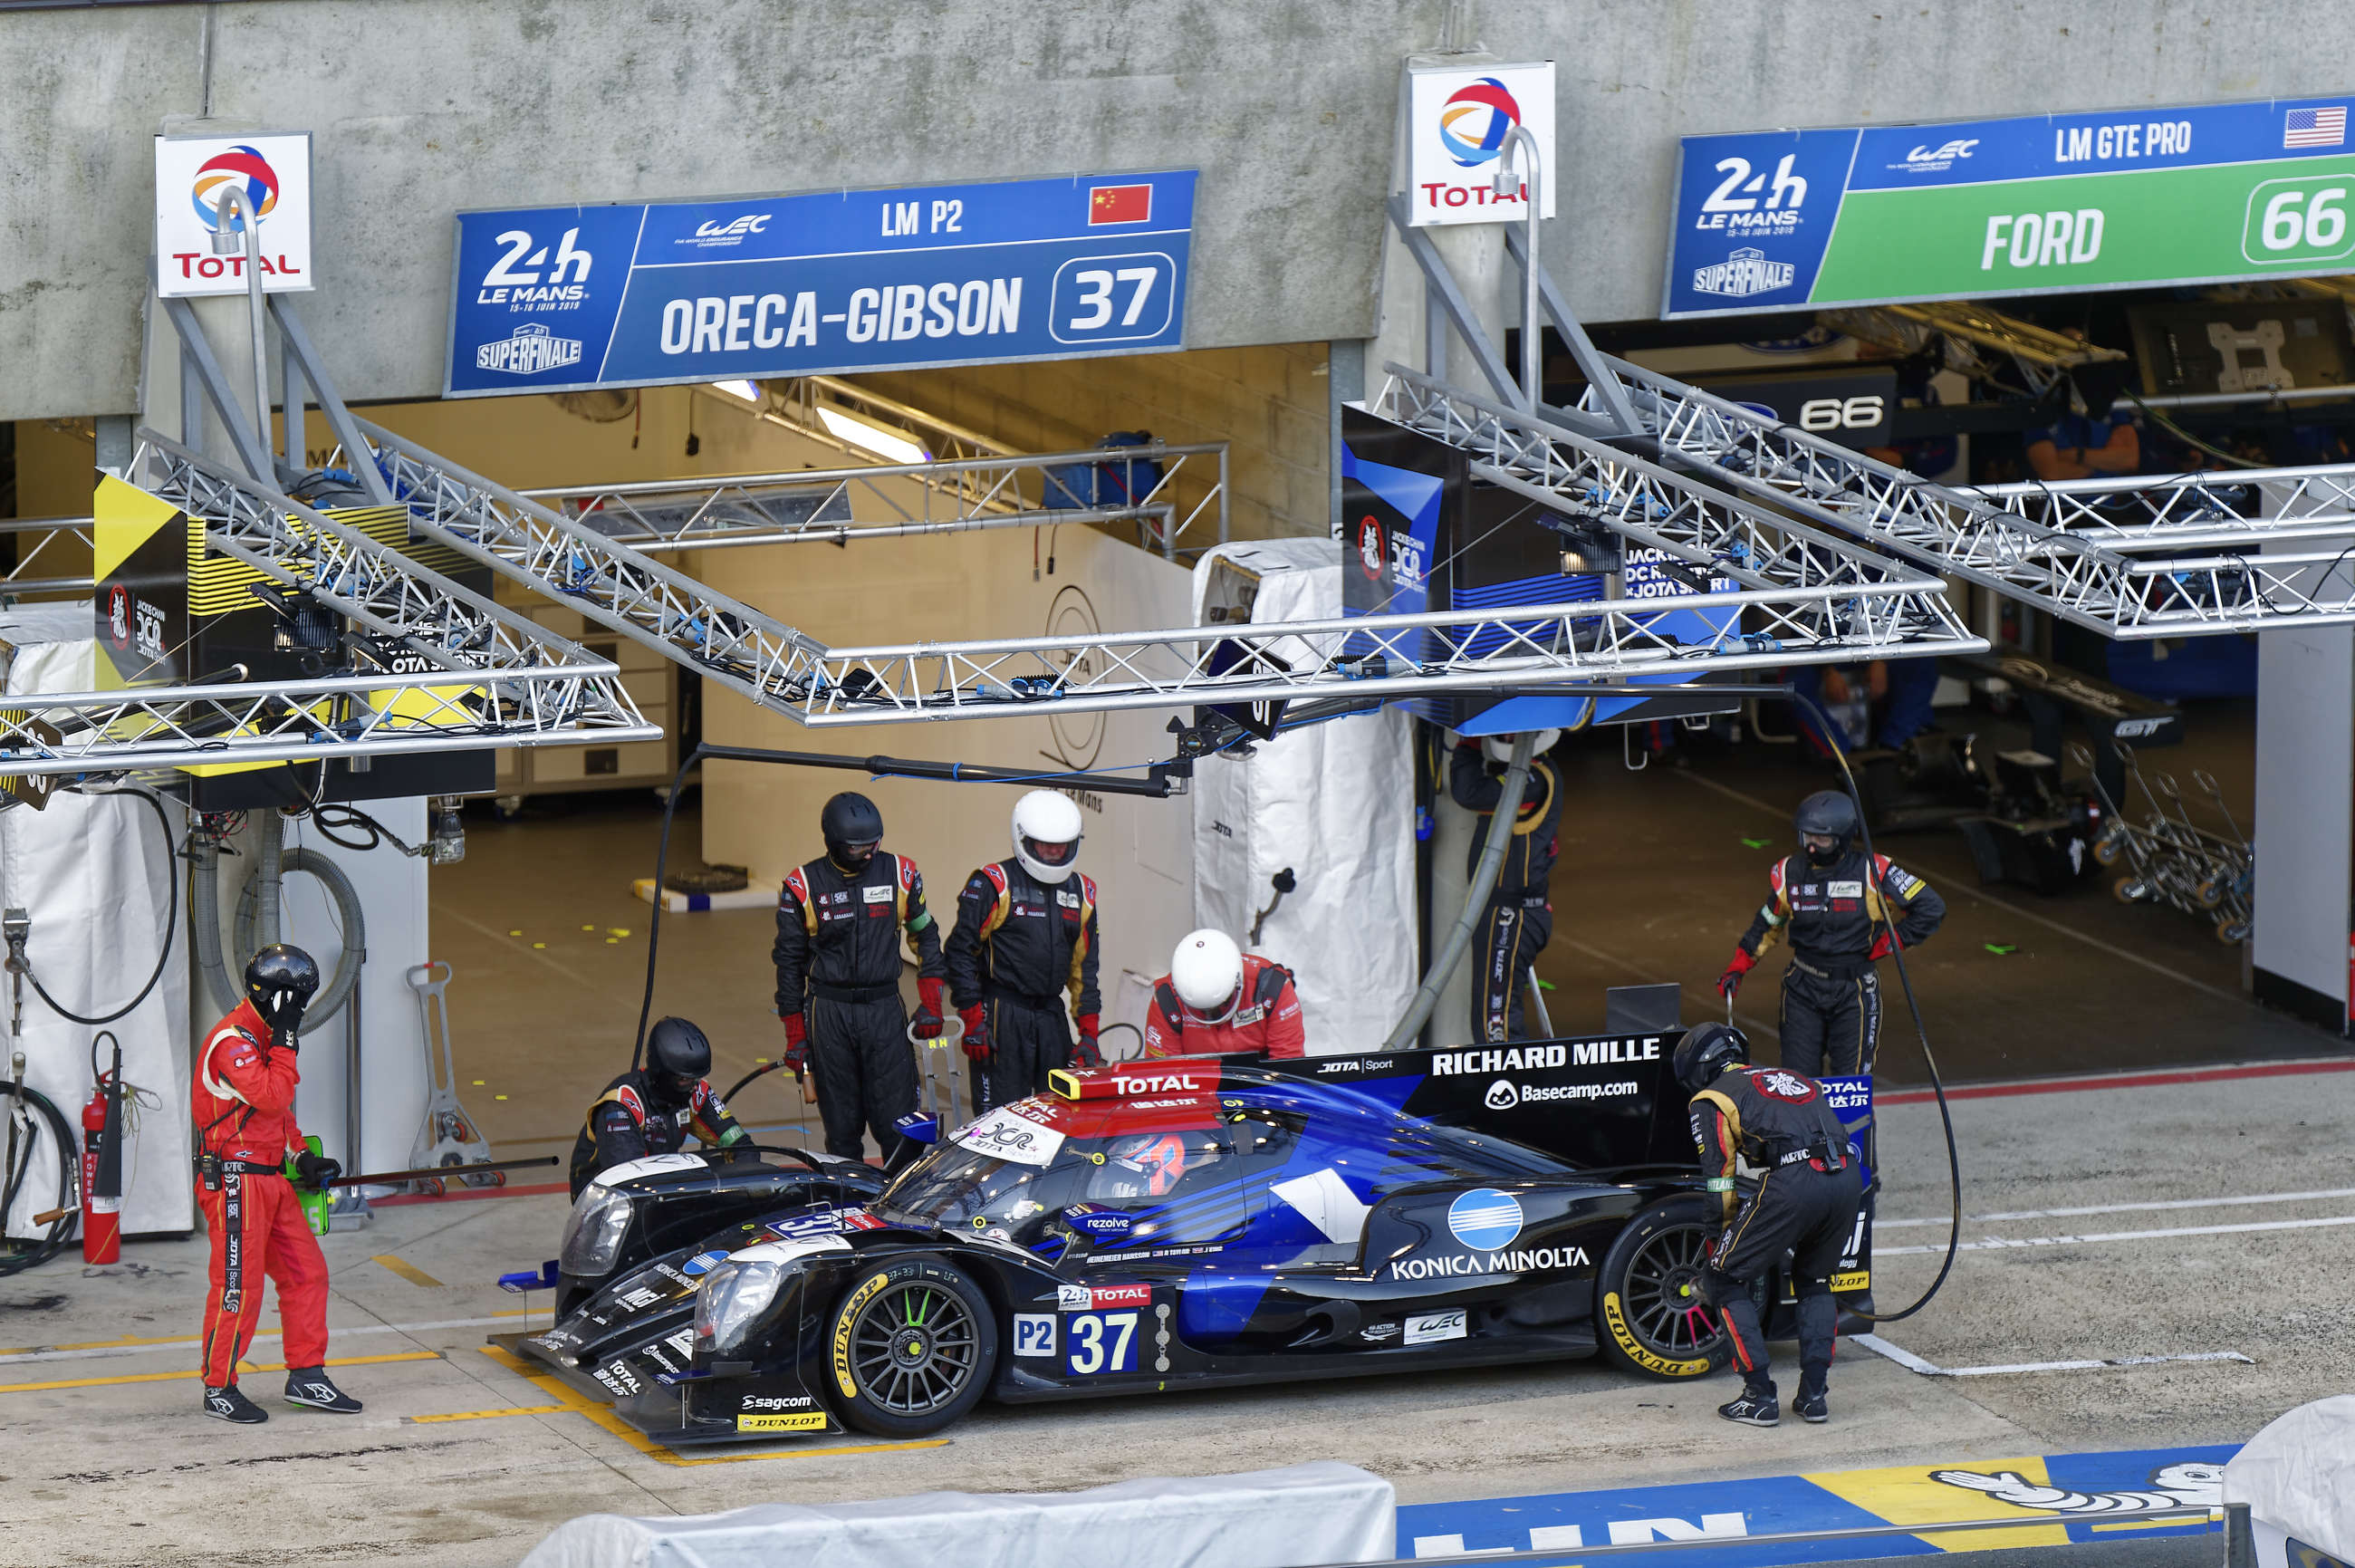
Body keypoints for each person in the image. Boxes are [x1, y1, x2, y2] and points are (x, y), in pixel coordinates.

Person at [192, 945, 360, 1424]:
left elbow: (277, 1115)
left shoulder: (262, 1038)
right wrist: (286, 1039)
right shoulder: (231, 1042)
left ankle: (307, 1375)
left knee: (307, 1273)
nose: (302, 1010)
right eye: (298, 1001)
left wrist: (302, 1156)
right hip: (236, 1184)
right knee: (238, 1288)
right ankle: (219, 1387)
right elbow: (271, 1094)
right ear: (279, 997)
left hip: (271, 1181)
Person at [1675, 1022, 1864, 1429]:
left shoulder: (1711, 1098)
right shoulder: (1793, 1078)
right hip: (1848, 1176)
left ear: (1698, 1067)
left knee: (1723, 1279)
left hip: (1796, 1182)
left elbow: (1719, 1178)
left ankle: (1758, 1396)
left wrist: (1719, 1241)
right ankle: (1814, 1397)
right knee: (1815, 1280)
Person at [1717, 790, 1945, 1077]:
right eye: (1807, 837)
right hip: (1801, 987)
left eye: (1821, 839)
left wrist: (1887, 944)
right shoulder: (1789, 872)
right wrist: (1739, 966)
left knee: (1851, 1084)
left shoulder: (1874, 871)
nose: (1812, 847)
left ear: (1843, 838)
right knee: (1797, 1083)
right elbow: (1768, 922)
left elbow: (1931, 908)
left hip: (1855, 989)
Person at [773, 792, 948, 1160]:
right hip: (829, 1014)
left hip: (884, 1009)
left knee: (900, 1124)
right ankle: (846, 1193)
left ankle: (903, 1193)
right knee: (841, 1128)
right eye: (857, 848)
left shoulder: (902, 874)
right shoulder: (801, 886)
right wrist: (795, 1036)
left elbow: (925, 935)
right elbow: (789, 965)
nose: (868, 855)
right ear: (833, 843)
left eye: (873, 845)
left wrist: (932, 1002)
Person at [945, 790, 1101, 1110]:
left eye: (1062, 844)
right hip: (1002, 1014)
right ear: (1024, 839)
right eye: (1045, 844)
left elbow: (1084, 970)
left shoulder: (1082, 893)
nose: (1055, 851)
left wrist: (1089, 1035)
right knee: (998, 1114)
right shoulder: (993, 883)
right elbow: (960, 953)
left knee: (1061, 1110)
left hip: (1051, 1015)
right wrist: (972, 1018)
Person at [1449, 730, 1562, 1043]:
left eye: (1515, 734)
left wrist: (1468, 741)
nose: (1508, 738)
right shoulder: (1524, 773)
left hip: (1512, 915)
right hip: (1509, 913)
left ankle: (1508, 1074)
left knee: (1496, 1026)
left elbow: (1469, 792)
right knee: (1492, 1018)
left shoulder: (1534, 779)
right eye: (1503, 733)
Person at [568, 1016, 753, 1198]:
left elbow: (743, 1146)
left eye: (696, 1078)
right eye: (684, 1079)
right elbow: (630, 1182)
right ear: (661, 1072)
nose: (693, 1086)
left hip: (657, 1182)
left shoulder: (696, 1091)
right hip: (605, 1199)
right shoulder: (621, 1105)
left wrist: (742, 1192)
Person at [1140, 928, 1304, 1059]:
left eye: (1221, 1004)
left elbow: (1287, 1062)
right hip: (1196, 1083)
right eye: (1202, 1010)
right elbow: (1164, 1074)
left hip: (1262, 1083)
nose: (1211, 1015)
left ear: (1238, 983)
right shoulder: (1166, 999)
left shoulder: (1272, 987)